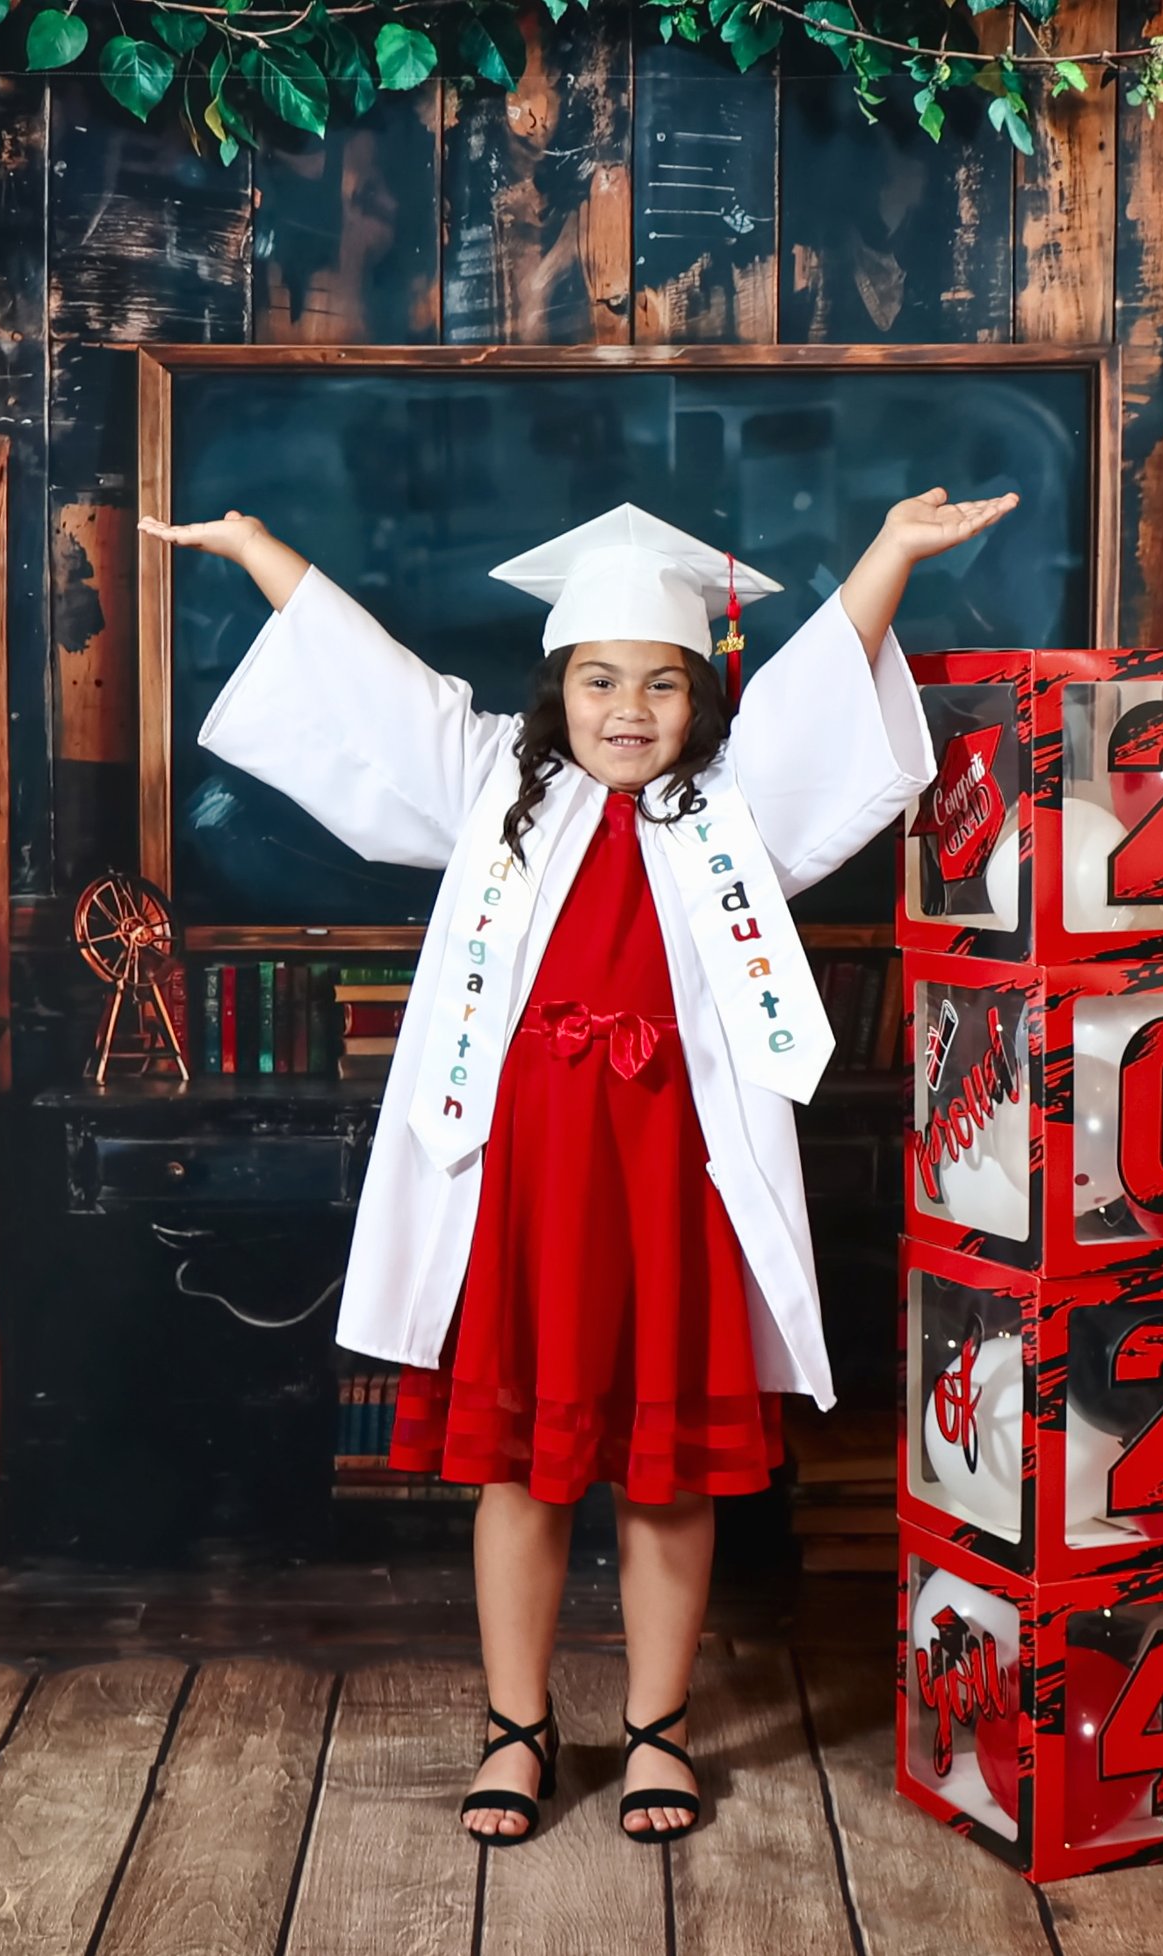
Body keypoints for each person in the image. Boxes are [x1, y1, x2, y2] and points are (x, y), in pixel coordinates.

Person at [140, 491, 1017, 1847]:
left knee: (665, 1465)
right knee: (523, 1466)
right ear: (559, 688)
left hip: (677, 1178)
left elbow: (818, 689)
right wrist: (266, 555)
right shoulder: (492, 781)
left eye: (663, 684)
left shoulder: (730, 806)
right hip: (526, 1181)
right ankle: (518, 1725)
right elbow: (373, 691)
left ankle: (662, 1726)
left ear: (697, 696)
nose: (629, 708)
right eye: (601, 680)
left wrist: (891, 554)